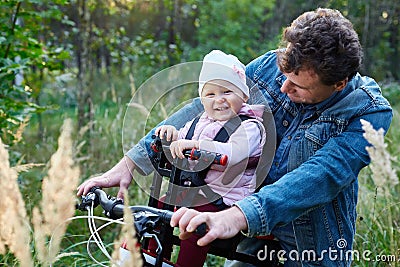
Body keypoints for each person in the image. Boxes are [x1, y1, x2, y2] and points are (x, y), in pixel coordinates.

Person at [77, 8, 393, 266]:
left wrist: (237, 216)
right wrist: (131, 163)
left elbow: (321, 176)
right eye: (284, 77)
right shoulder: (273, 64)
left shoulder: (367, 112)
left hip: (308, 243)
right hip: (250, 227)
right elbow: (205, 109)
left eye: (300, 87)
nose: (284, 88)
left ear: (338, 83)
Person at [147, 49, 266, 267]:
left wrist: (197, 146)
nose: (218, 100)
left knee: (194, 224)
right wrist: (172, 135)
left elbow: (234, 154)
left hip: (224, 198)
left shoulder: (249, 126)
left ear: (244, 96)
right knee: (156, 210)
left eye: (227, 92)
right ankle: (151, 255)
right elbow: (182, 139)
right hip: (193, 191)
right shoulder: (199, 122)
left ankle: (188, 264)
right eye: (210, 94)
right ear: (202, 99)